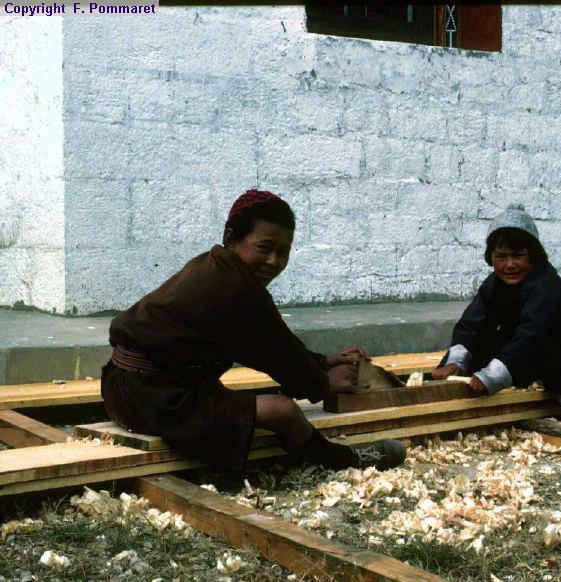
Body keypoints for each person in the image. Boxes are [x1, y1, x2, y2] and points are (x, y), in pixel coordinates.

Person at [100, 189, 405, 473]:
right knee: (283, 411)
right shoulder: (237, 288)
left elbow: (269, 347)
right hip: (152, 398)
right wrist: (323, 384)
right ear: (231, 238)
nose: (273, 261)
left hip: (123, 387)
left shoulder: (216, 267)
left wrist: (322, 363)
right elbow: (281, 356)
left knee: (257, 400)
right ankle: (338, 460)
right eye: (264, 248)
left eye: (283, 251)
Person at [431, 204, 561, 425]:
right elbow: (471, 325)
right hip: (531, 350)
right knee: (479, 350)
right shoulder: (494, 285)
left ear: (533, 256)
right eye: (501, 257)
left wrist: (490, 376)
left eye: (518, 256)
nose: (509, 265)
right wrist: (455, 362)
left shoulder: (548, 287)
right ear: (491, 258)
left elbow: (531, 335)